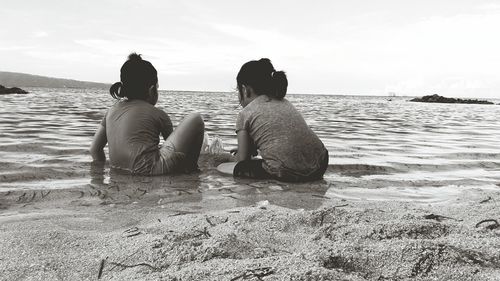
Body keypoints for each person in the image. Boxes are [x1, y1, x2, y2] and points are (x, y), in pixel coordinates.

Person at [90, 53, 204, 175]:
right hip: (151, 170)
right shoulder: (158, 114)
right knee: (195, 119)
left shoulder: (111, 111)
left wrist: (103, 171)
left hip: (119, 170)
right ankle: (192, 170)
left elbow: (95, 150)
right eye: (157, 88)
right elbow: (178, 152)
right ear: (151, 90)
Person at [233, 58, 329, 182]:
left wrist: (229, 157)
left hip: (287, 172)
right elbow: (277, 135)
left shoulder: (244, 114)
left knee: (241, 168)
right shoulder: (284, 102)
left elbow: (242, 160)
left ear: (245, 89)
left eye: (237, 90)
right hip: (321, 164)